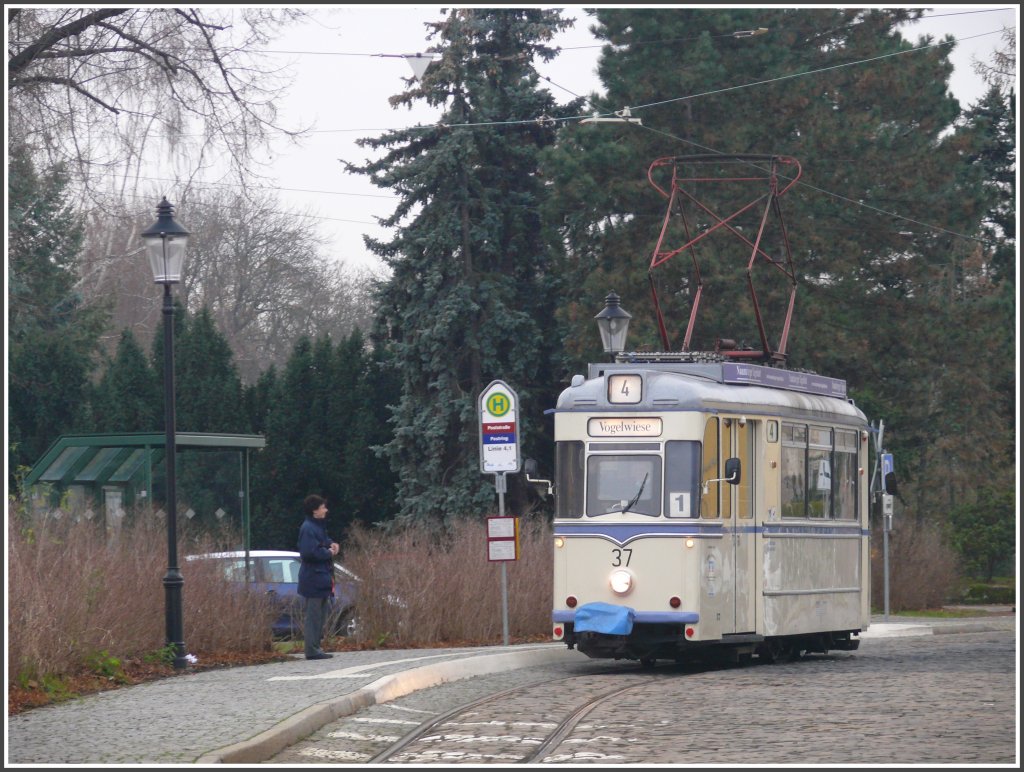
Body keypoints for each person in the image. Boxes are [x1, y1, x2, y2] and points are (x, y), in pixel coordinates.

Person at [297, 493, 339, 660]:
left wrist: (331, 543)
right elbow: (309, 552)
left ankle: (316, 647)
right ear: (315, 511)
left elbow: (323, 541)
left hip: (321, 579)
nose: (326, 510)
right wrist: (328, 552)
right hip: (313, 579)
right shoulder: (308, 528)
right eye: (323, 507)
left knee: (320, 616)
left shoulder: (317, 527)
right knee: (313, 616)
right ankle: (312, 650)